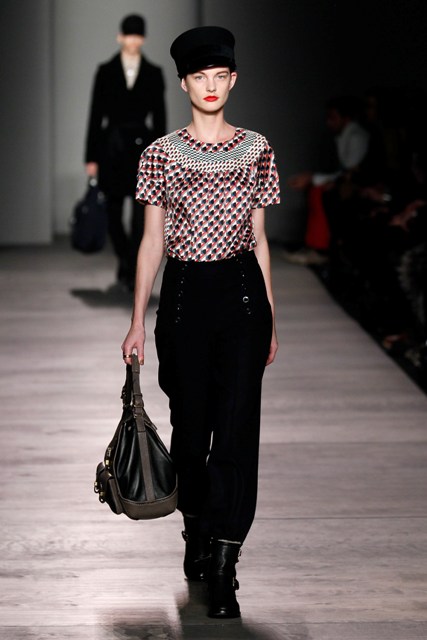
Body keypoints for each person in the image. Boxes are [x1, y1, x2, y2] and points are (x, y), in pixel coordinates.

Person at [121, 26, 280, 619]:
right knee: (191, 433)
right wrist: (137, 321)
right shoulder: (160, 153)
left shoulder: (257, 148)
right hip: (185, 298)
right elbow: (151, 242)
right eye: (199, 77)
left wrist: (271, 316)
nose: (210, 86)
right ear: (184, 83)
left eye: (220, 76)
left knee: (237, 433)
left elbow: (260, 239)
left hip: (242, 295)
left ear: (232, 80)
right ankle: (197, 528)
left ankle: (224, 563)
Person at [84, 14, 166, 289]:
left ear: (143, 39)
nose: (133, 41)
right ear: (120, 37)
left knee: (141, 216)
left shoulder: (153, 73)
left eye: (137, 36)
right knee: (113, 212)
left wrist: (161, 155)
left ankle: (131, 266)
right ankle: (126, 259)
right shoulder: (105, 71)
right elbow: (95, 115)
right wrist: (91, 157)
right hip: (112, 148)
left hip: (143, 149)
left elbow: (160, 117)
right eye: (129, 35)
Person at [285, 95, 370, 265]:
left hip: (362, 184)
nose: (329, 122)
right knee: (316, 191)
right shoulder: (347, 135)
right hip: (350, 182)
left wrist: (313, 178)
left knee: (320, 192)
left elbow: (350, 171)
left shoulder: (356, 136)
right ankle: (316, 246)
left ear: (346, 118)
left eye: (333, 117)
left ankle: (320, 249)